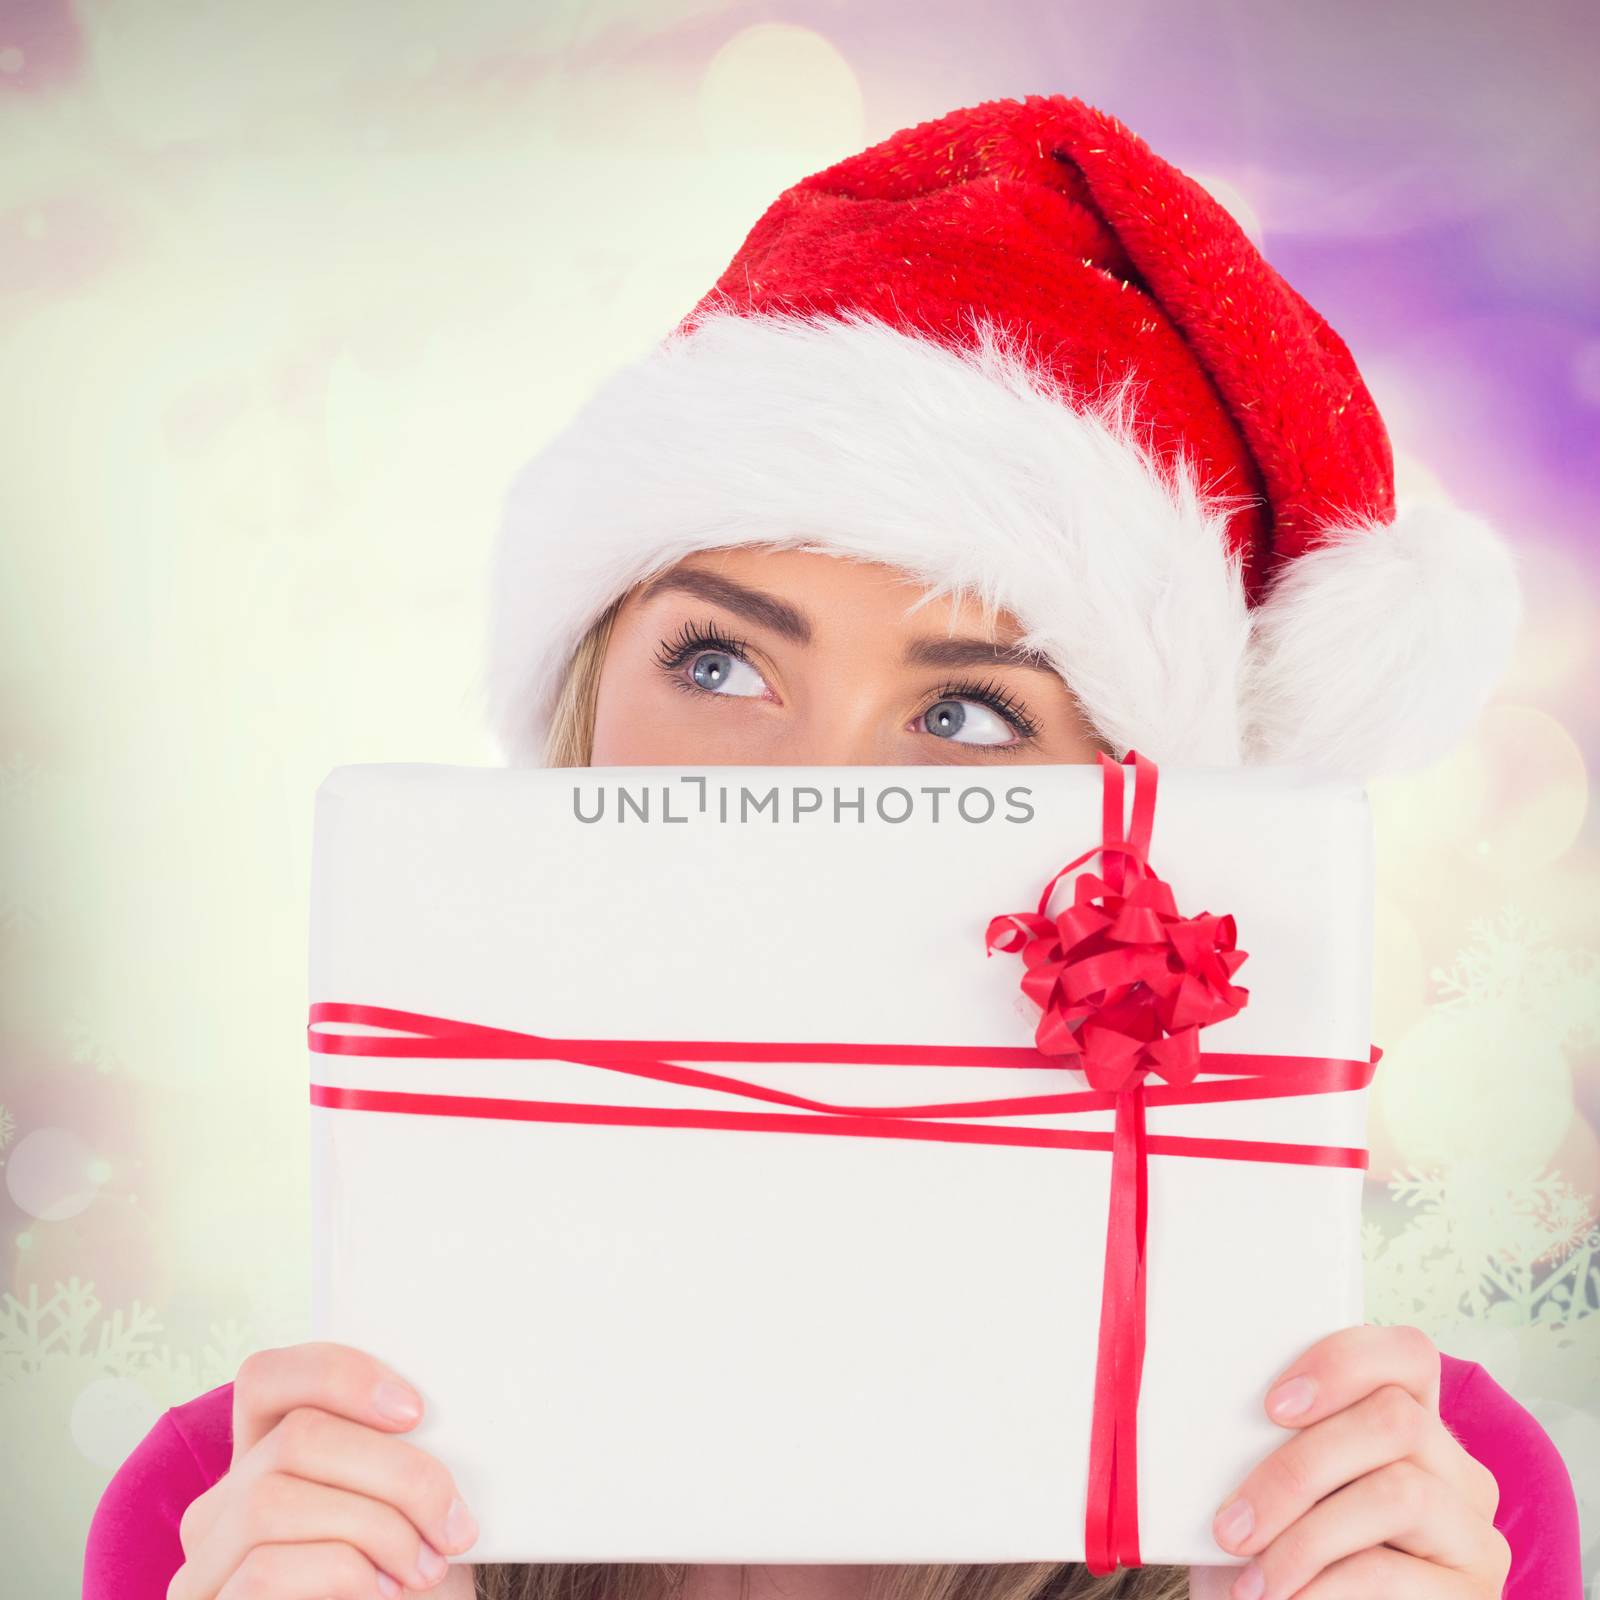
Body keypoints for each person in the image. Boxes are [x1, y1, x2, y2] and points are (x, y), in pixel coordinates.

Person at [84, 94, 1584, 1600]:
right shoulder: (252, 1518)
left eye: (973, 717)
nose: (817, 787)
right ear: (584, 700)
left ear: (1139, 820)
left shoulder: (1409, 1507)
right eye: (721, 665)